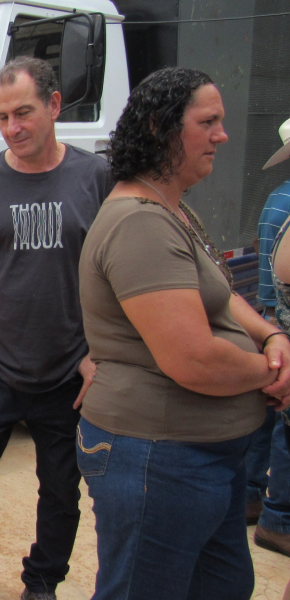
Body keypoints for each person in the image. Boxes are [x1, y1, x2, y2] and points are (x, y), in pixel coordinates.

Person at [76, 67, 290, 600]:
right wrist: (275, 373)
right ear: (161, 128)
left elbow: (222, 294)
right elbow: (194, 360)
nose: (223, 135)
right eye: (208, 122)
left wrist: (268, 337)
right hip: (158, 459)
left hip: (197, 458)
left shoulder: (171, 208)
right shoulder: (140, 223)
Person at [0, 56, 113, 600]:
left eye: (23, 113)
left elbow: (117, 269)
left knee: (62, 492)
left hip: (68, 373)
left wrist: (99, 354)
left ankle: (42, 583)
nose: (12, 128)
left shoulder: (95, 177)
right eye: (1, 117)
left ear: (55, 105)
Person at [254, 118, 290, 557]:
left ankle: (253, 496)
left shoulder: (276, 199)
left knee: (268, 420)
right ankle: (278, 516)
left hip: (270, 316)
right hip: (278, 323)